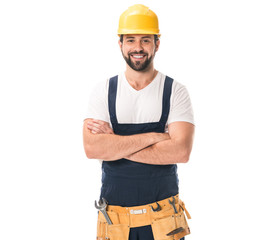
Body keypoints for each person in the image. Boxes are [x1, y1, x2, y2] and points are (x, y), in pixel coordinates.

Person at [83, 4, 195, 240]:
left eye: (145, 40)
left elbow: (181, 151)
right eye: (131, 39)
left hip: (165, 221)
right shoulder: (103, 91)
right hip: (116, 222)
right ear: (120, 44)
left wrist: (115, 144)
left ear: (157, 43)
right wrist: (156, 138)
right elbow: (93, 149)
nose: (138, 47)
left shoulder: (175, 91)